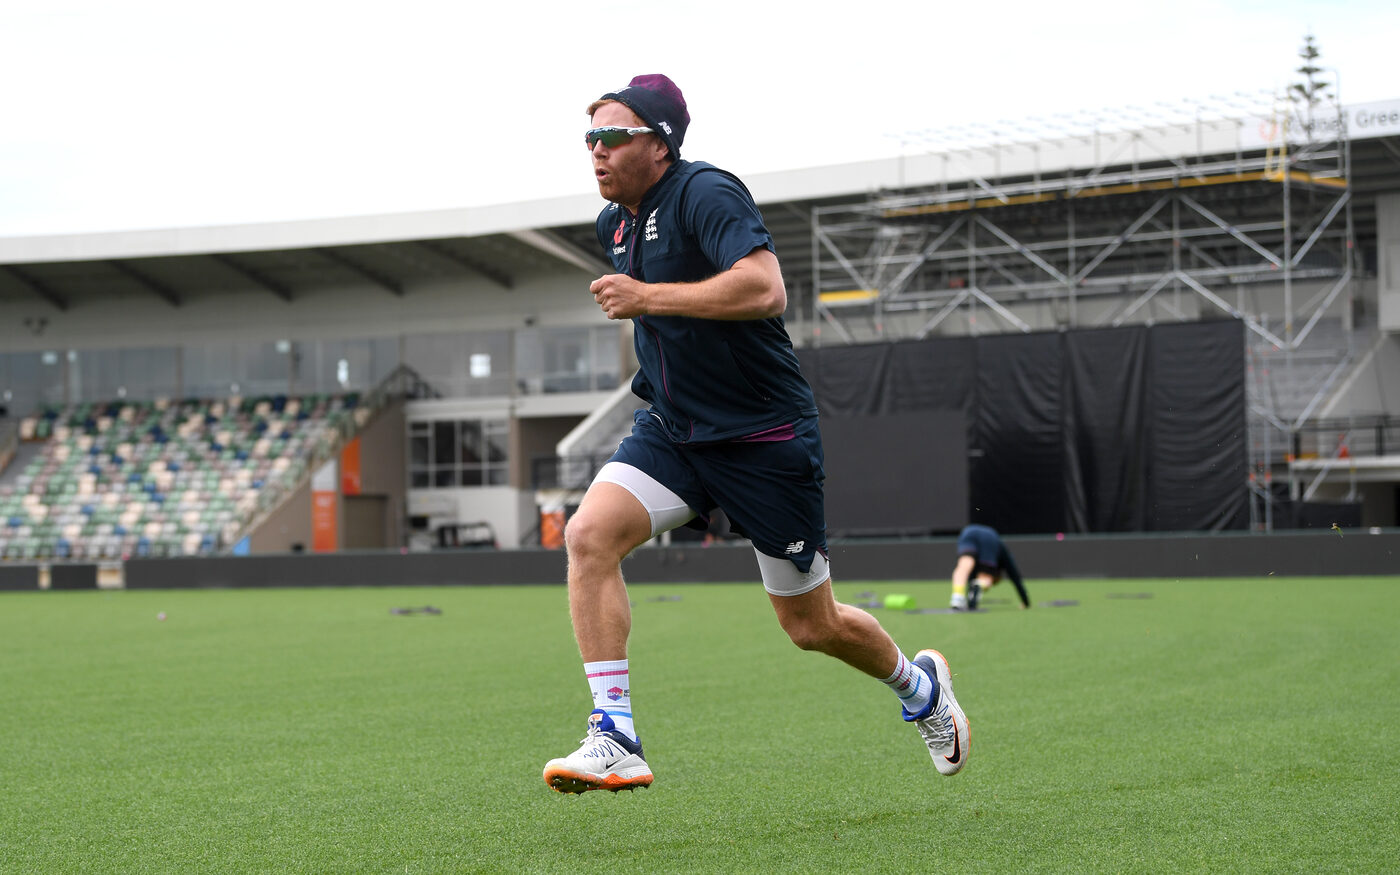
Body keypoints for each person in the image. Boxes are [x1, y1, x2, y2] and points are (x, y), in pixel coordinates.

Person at [542, 74, 970, 794]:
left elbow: (766, 288)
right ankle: (614, 734)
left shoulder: (706, 192)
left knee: (812, 626)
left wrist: (647, 296)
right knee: (588, 536)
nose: (597, 150)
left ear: (660, 143)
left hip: (761, 437)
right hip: (674, 430)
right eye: (590, 138)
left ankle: (920, 688)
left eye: (612, 136)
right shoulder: (612, 224)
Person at [949, 524, 1030, 611]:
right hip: (990, 537)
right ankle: (981, 584)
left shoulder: (977, 565)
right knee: (984, 578)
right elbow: (1014, 575)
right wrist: (1025, 601)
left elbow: (971, 582)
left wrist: (971, 603)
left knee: (964, 565)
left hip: (968, 532)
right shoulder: (1001, 551)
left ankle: (957, 597)